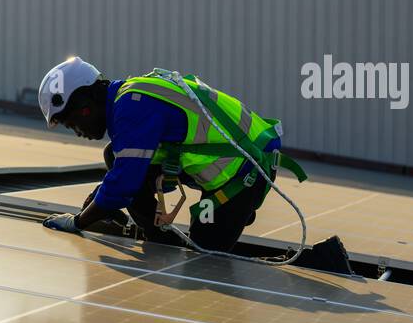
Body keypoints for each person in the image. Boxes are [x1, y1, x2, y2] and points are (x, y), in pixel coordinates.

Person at [35, 57, 353, 273]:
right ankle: (158, 237)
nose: (75, 130)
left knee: (206, 259)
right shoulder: (130, 98)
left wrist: (79, 221)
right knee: (114, 157)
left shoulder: (131, 107)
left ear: (85, 105)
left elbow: (122, 186)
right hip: (232, 168)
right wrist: (102, 201)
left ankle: (322, 260)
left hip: (244, 175)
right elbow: (126, 170)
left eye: (70, 121)